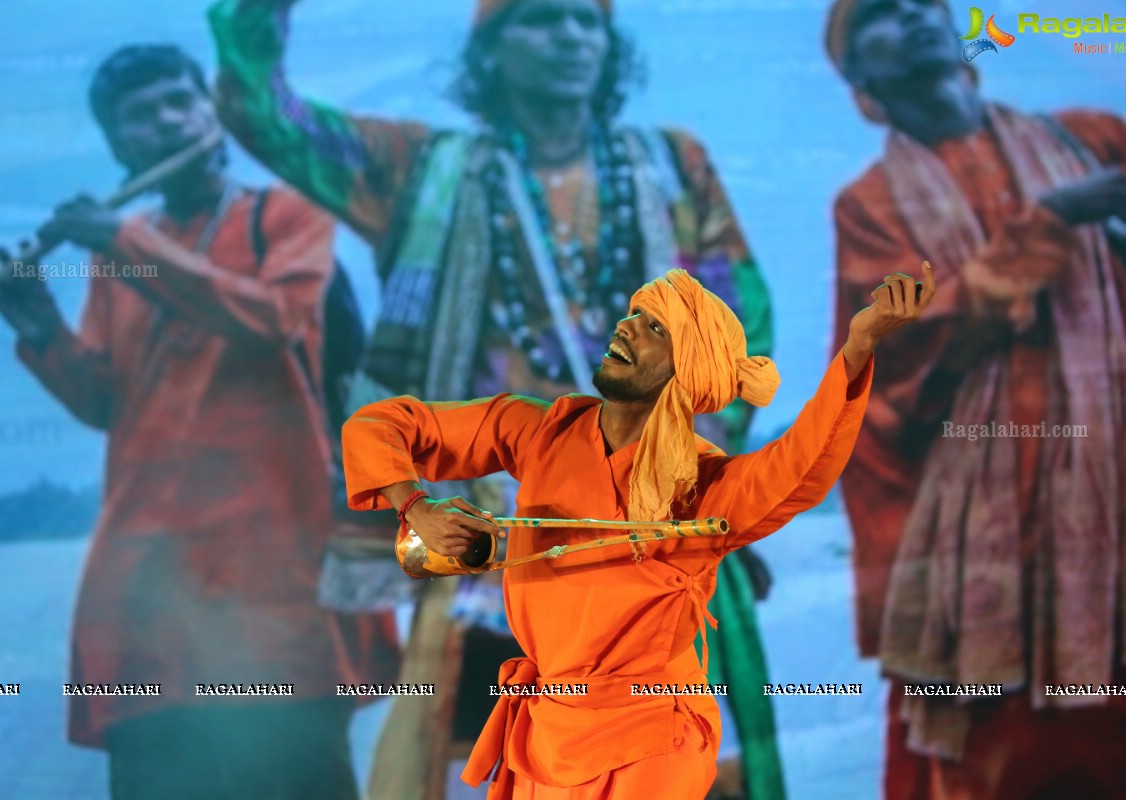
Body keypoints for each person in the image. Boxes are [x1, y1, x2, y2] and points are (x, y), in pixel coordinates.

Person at [207, 0, 783, 796]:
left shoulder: (672, 164)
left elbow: (739, 317)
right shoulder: (424, 169)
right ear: (489, 48)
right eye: (541, 19)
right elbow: (269, 117)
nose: (572, 38)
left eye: (588, 20)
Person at [342, 265, 933, 798]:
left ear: (687, 370)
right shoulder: (540, 430)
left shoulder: (704, 489)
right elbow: (383, 424)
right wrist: (412, 504)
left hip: (651, 740)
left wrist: (859, 347)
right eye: (633, 314)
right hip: (547, 733)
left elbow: (801, 466)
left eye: (655, 328)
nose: (627, 327)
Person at [824, 0, 1126, 797]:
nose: (915, 16)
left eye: (926, 2)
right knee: (1026, 754)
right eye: (881, 15)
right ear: (859, 79)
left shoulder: (1087, 136)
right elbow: (905, 350)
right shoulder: (870, 207)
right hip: (1002, 523)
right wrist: (1056, 217)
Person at [0, 45, 396, 800]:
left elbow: (273, 318)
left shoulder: (286, 215)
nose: (168, 121)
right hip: (151, 571)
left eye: (181, 101)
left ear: (211, 116)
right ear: (119, 145)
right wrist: (38, 321)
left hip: (273, 559)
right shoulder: (122, 252)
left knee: (297, 768)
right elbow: (107, 402)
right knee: (158, 771)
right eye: (140, 116)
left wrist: (120, 240)